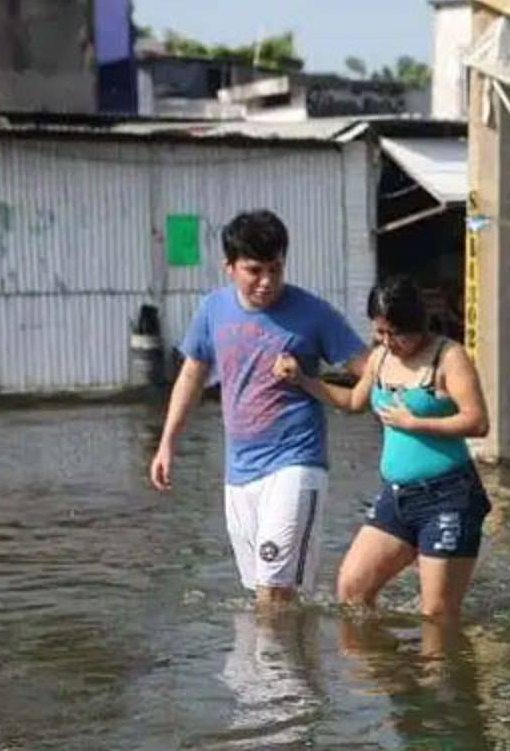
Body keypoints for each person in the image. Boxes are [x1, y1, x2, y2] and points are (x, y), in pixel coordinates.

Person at [149, 209, 367, 607]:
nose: (266, 282)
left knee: (274, 589)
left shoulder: (312, 313)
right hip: (240, 472)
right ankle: (292, 666)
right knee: (264, 596)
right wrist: (167, 444)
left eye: (275, 269)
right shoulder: (212, 310)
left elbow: (367, 369)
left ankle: (279, 667)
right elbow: (191, 377)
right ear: (229, 267)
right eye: (254, 270)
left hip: (296, 463)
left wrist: (313, 381)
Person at [273, 275, 490, 625]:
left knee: (436, 616)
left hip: (448, 496)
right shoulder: (379, 359)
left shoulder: (449, 357)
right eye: (380, 332)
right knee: (352, 592)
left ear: (418, 324)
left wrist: (417, 423)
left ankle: (438, 676)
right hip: (396, 498)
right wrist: (304, 381)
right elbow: (354, 402)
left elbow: (477, 421)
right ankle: (388, 676)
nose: (388, 342)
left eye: (396, 334)